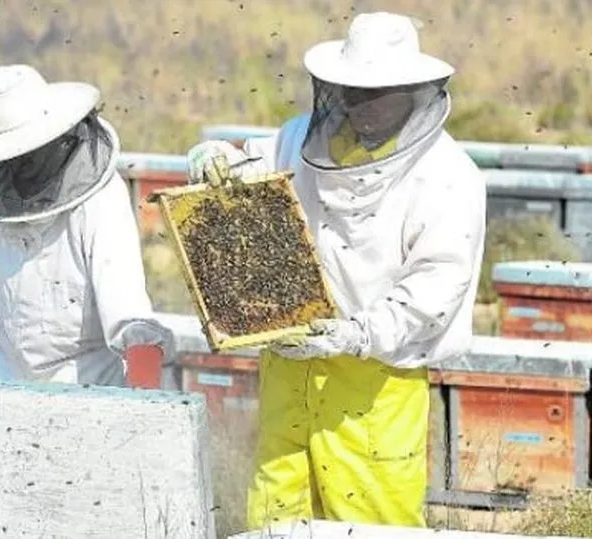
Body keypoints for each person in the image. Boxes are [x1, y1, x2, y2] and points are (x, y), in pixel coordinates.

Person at [185, 12, 486, 530]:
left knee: (371, 521)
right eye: (349, 90)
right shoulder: (300, 137)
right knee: (276, 514)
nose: (358, 106)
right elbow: (254, 173)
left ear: (413, 90)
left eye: (376, 94)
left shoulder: (447, 177)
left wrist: (353, 334)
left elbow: (435, 290)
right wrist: (218, 159)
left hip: (376, 384)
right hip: (288, 363)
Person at [0, 64, 175, 395]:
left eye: (20, 159)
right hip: (12, 384)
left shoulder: (99, 200)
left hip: (89, 389)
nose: (12, 171)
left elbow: (127, 309)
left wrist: (145, 397)